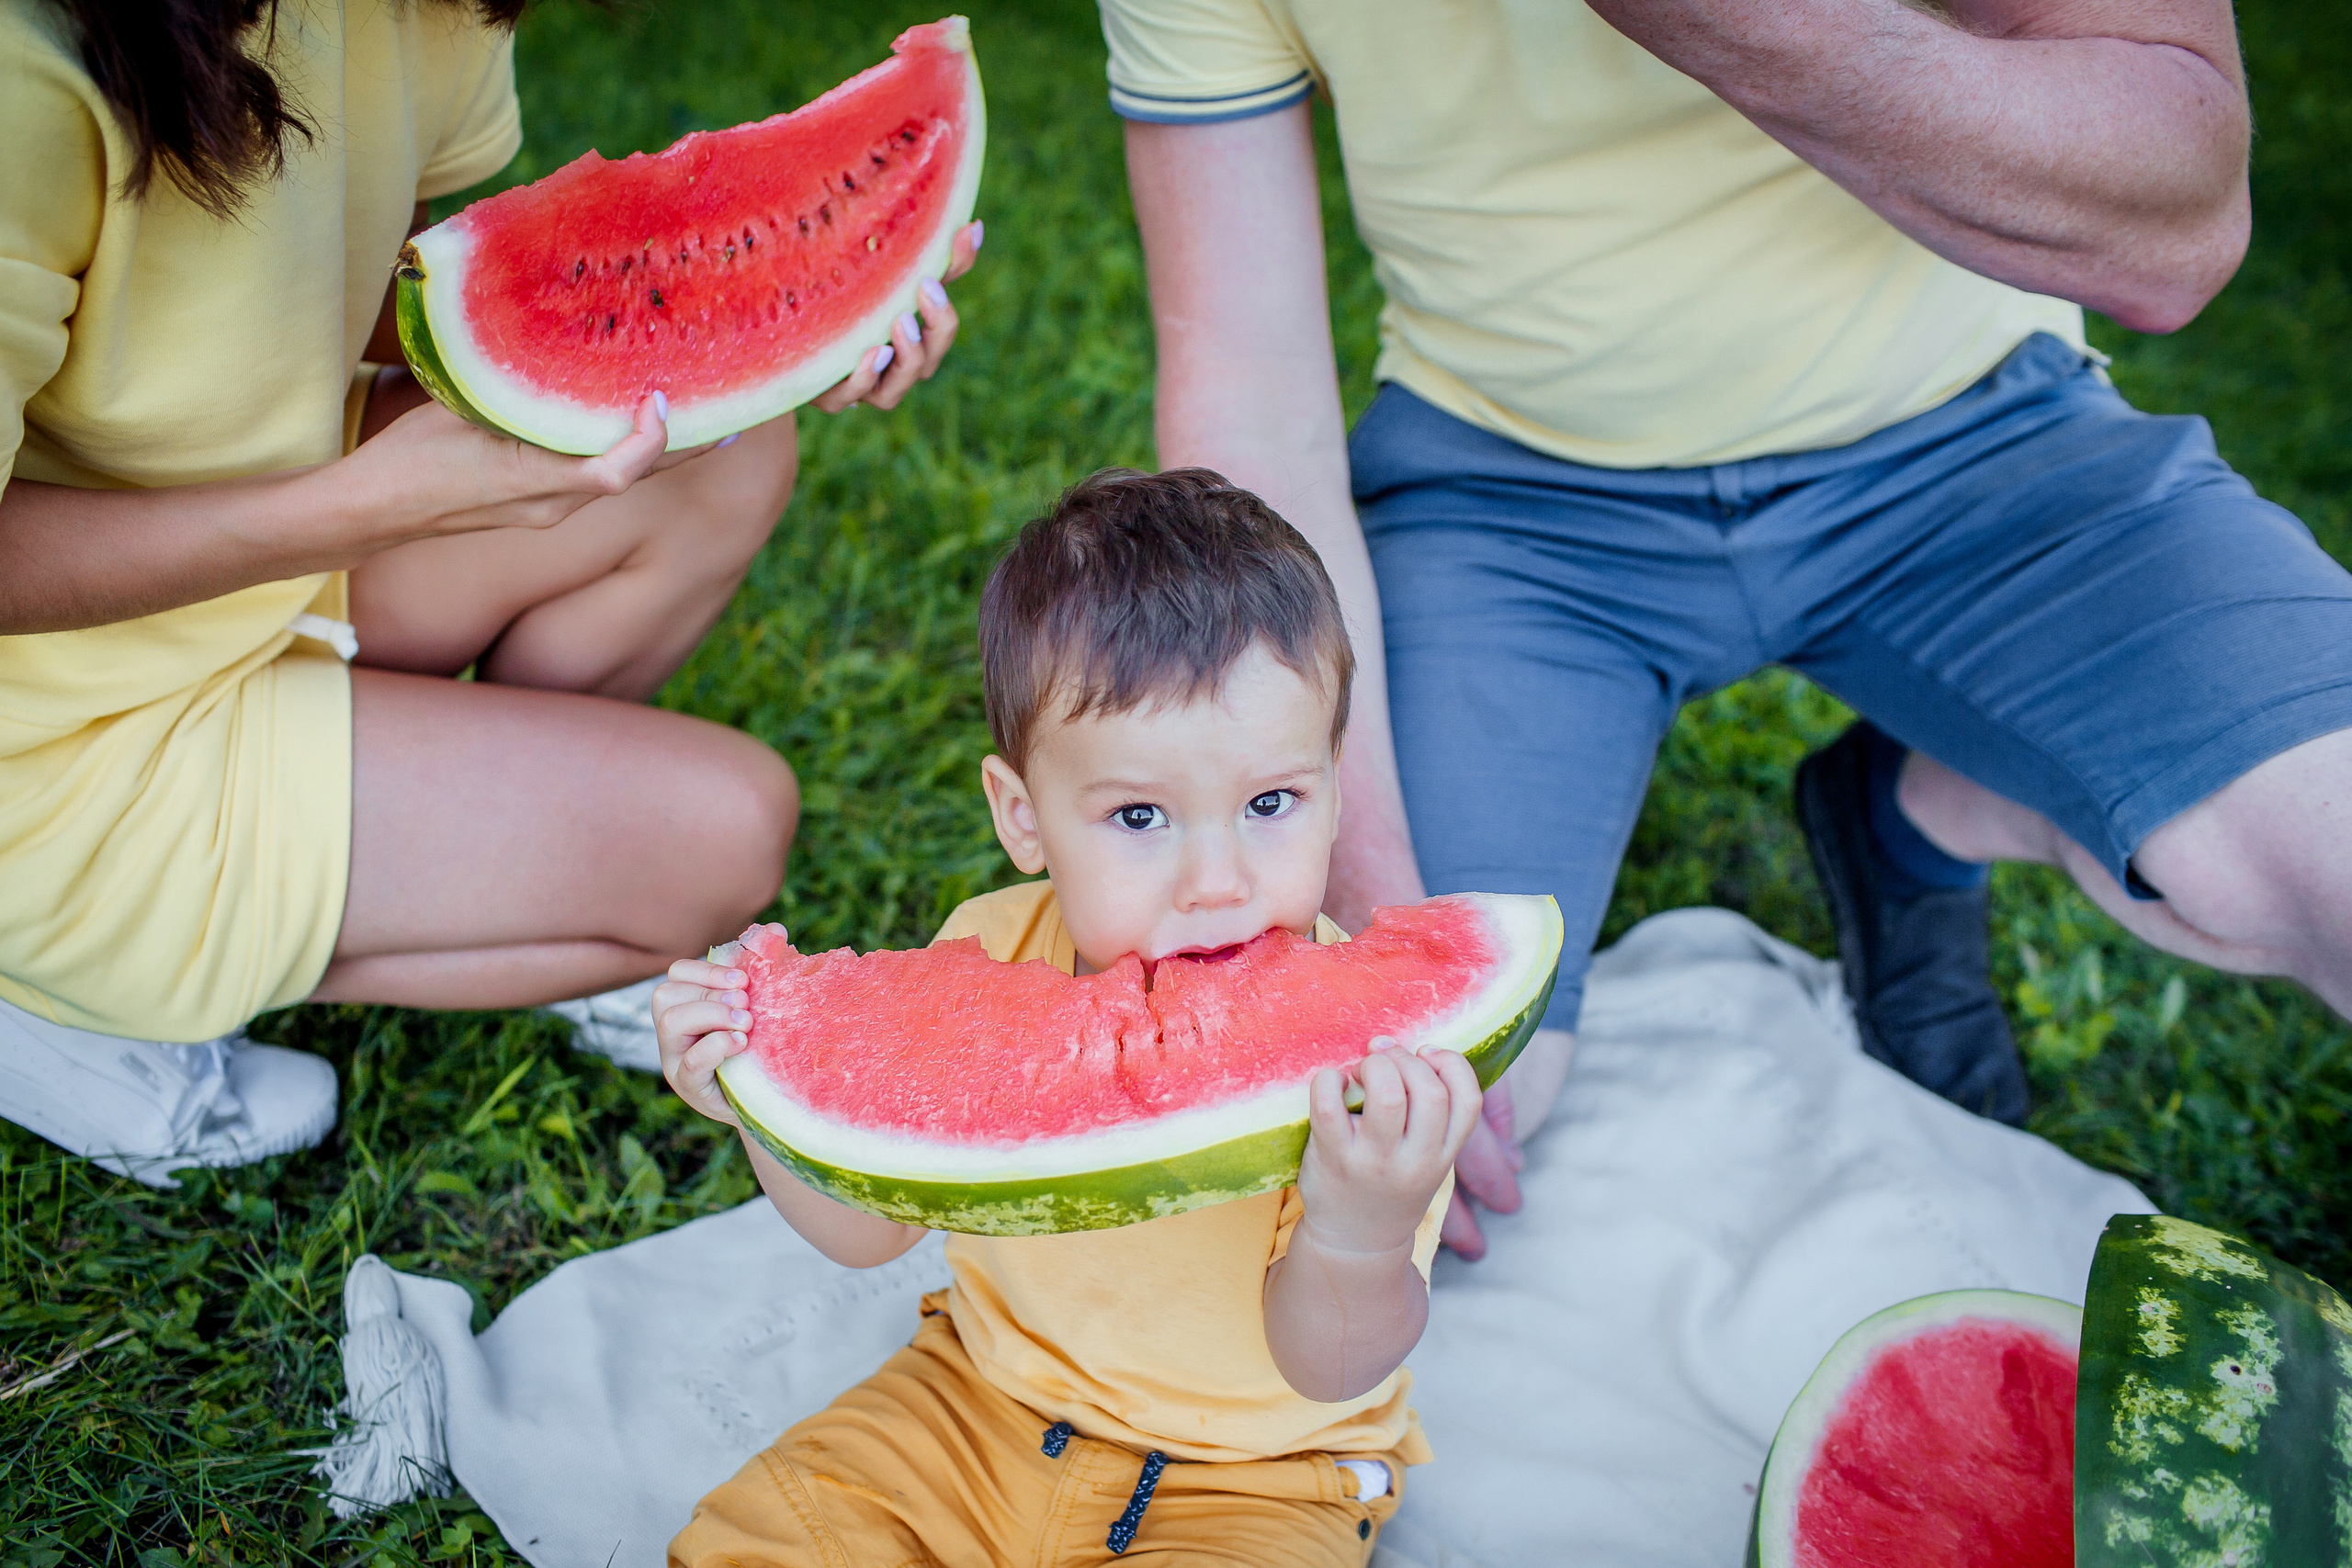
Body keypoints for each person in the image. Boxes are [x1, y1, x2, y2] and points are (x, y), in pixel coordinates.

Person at [1104, 0, 2352, 1256]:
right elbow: (1252, 413)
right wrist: (1389, 938)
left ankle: (1936, 809)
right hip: (1512, 508)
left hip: (1982, 451)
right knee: (1450, 1110)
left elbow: (2179, 232)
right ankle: (1946, 793)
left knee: (2301, 871)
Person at [0, 0, 977, 1186]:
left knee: (738, 460)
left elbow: (381, 301)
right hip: (60, 737)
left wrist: (760, 298)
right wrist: (371, 505)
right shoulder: (27, 65)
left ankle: (492, 847)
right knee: (730, 833)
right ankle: (46, 1004)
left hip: (276, 521)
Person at [654, 468, 1482, 1565]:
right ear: (1024, 817)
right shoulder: (988, 950)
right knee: (753, 1540)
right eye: (1139, 815)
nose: (1217, 881)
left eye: (1268, 804)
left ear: (1333, 783)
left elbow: (1326, 1366)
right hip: (975, 1402)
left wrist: (1362, 1224)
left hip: (1260, 1477)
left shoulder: (1368, 1058)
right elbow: (871, 1232)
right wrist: (757, 1098)